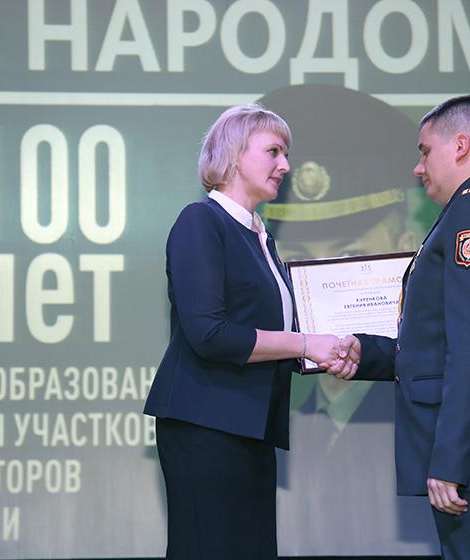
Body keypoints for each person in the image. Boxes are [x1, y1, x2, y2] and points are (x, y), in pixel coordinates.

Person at [329, 95, 470, 558]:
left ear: (461, 146)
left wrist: (451, 461)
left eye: (425, 151)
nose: (418, 167)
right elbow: (446, 340)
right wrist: (367, 354)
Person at [143, 104, 346, 560]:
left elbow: (281, 329)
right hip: (206, 426)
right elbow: (209, 333)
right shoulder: (201, 221)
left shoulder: (261, 237)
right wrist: (306, 344)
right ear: (234, 155)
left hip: (251, 427)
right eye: (274, 151)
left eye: (286, 153)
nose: (286, 165)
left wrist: (336, 346)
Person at [256, 85, 439, 555]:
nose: (324, 275)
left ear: (405, 243)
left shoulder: (425, 405)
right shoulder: (281, 415)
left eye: (350, 254)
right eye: (300, 257)